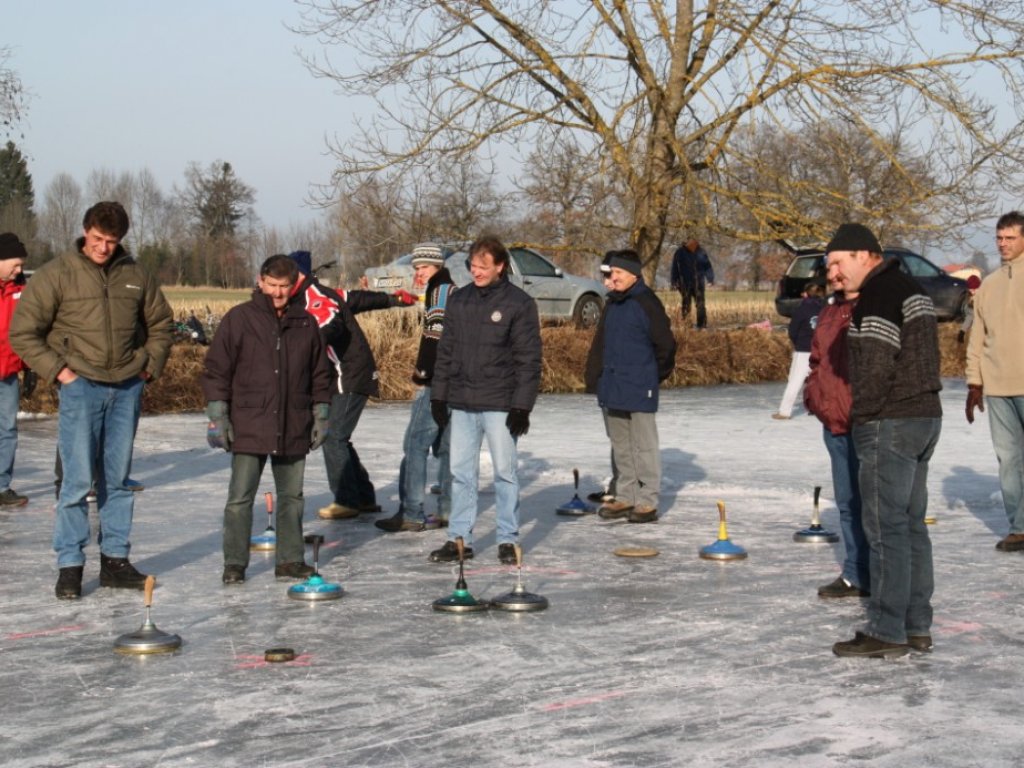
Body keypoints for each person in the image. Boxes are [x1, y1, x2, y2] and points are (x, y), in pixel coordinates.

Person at [10, 201, 173, 600]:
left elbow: (161, 324)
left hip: (126, 388)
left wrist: (147, 368)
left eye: (111, 241)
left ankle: (115, 560)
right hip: (80, 387)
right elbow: (23, 332)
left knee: (117, 481)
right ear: (85, 232)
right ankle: (70, 564)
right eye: (98, 239)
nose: (103, 248)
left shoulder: (135, 274)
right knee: (77, 482)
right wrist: (60, 372)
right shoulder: (56, 274)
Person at [825, 223, 942, 658]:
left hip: (890, 422)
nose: (833, 273)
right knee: (911, 526)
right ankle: (916, 625)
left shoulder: (878, 295)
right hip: (924, 416)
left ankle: (887, 629)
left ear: (863, 254)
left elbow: (874, 368)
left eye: (837, 262)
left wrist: (864, 417)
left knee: (885, 527)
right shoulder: (911, 288)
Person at [201, 254, 333, 584]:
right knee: (239, 498)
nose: (277, 293)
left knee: (293, 498)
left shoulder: (306, 323)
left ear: (294, 286)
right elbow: (216, 371)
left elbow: (320, 374)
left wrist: (321, 414)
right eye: (271, 285)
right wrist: (218, 414)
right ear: (260, 281)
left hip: (293, 422)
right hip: (249, 423)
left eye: (284, 287)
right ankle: (235, 563)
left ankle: (289, 560)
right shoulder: (239, 319)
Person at [428, 234, 542, 564]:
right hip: (462, 402)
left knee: (505, 473)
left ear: (500, 267)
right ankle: (459, 538)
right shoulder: (459, 300)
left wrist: (522, 406)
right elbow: (445, 352)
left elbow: (528, 360)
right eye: (471, 266)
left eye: (482, 266)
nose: (475, 272)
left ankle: (507, 538)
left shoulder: (519, 304)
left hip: (500, 404)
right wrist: (439, 396)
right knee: (461, 473)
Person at [285, 251, 417, 521]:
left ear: (299, 274)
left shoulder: (316, 299)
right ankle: (364, 497)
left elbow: (330, 325)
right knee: (339, 436)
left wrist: (301, 347)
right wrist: (394, 299)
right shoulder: (314, 295)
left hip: (349, 373)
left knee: (333, 435)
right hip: (344, 375)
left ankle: (346, 500)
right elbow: (358, 298)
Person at [586, 249, 676, 523]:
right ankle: (625, 496)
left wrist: (651, 376)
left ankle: (647, 500)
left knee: (644, 446)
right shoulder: (613, 304)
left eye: (618, 274)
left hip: (639, 386)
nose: (613, 279)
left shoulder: (647, 303)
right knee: (621, 446)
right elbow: (602, 345)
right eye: (612, 274)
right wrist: (596, 377)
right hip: (613, 386)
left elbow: (666, 345)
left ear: (634, 275)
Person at [376, 243, 455, 532]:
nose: (418, 273)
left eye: (423, 268)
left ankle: (411, 512)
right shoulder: (449, 289)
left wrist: (423, 372)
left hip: (437, 381)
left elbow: (435, 338)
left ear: (436, 266)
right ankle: (448, 509)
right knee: (446, 447)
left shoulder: (441, 291)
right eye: (416, 268)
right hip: (453, 381)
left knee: (415, 444)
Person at [803, 262, 870, 599]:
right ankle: (856, 574)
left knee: (874, 503)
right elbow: (817, 359)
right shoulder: (830, 312)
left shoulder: (873, 307)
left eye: (840, 266)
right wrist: (812, 393)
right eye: (830, 269)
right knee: (847, 503)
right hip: (834, 421)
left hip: (867, 422)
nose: (834, 275)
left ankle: (883, 575)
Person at [966, 211, 1024, 552]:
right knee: (1009, 458)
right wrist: (975, 384)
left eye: (1010, 238)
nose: (1003, 244)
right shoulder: (989, 285)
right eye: (1000, 238)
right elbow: (977, 337)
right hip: (999, 387)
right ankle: (1019, 526)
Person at [587, 256, 619, 505]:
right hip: (607, 382)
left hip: (623, 384)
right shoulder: (611, 304)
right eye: (604, 276)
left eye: (610, 276)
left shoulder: (630, 304)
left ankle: (624, 488)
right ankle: (618, 484)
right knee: (616, 437)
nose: (606, 282)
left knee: (624, 439)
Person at [0, 233, 28, 506]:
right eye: (15, 264)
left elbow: (30, 329)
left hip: (7, 372)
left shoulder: (22, 289)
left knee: (7, 429)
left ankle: (1, 486)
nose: (19, 270)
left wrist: (28, 367)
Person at [773, 281, 825, 419]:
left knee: (795, 380)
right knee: (820, 381)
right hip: (821, 350)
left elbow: (793, 331)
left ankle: (784, 411)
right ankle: (820, 408)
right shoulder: (825, 310)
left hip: (803, 351)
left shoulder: (801, 310)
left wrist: (797, 343)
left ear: (806, 294)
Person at [670, 238, 715, 329]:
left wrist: (710, 279)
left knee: (700, 304)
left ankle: (702, 325)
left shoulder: (701, 252)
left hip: (699, 283)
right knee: (686, 304)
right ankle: (687, 325)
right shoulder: (679, 253)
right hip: (684, 283)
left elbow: (707, 266)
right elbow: (675, 267)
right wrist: (674, 281)